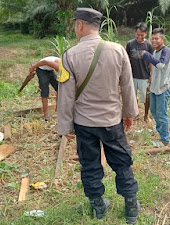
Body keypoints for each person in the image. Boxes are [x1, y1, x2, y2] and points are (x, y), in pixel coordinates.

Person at [57, 8, 141, 224]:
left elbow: (66, 96)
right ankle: (131, 207)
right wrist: (129, 113)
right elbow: (127, 86)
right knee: (122, 163)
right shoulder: (118, 50)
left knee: (90, 165)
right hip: (111, 121)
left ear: (81, 25)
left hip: (84, 124)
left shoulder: (69, 56)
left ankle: (99, 207)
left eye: (76, 24)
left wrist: (65, 128)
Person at [141, 28, 170, 146]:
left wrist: (147, 56)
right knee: (154, 110)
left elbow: (160, 65)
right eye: (152, 38)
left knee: (162, 114)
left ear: (162, 39)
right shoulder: (155, 52)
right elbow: (154, 70)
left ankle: (165, 140)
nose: (154, 41)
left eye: (156, 38)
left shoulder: (166, 51)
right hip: (155, 87)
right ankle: (160, 131)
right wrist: (150, 82)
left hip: (163, 88)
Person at [126, 22, 154, 121]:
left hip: (144, 76)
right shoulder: (130, 44)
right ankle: (134, 113)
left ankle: (146, 115)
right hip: (132, 75)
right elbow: (126, 59)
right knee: (132, 96)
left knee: (146, 97)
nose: (139, 37)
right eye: (138, 35)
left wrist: (151, 75)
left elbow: (151, 61)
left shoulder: (149, 45)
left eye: (142, 35)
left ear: (146, 33)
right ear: (135, 33)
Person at [28, 56, 60, 121]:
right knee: (45, 91)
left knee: (59, 89)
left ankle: (57, 109)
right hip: (41, 70)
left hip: (50, 70)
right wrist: (33, 67)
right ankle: (46, 115)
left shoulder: (65, 66)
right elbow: (44, 62)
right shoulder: (57, 65)